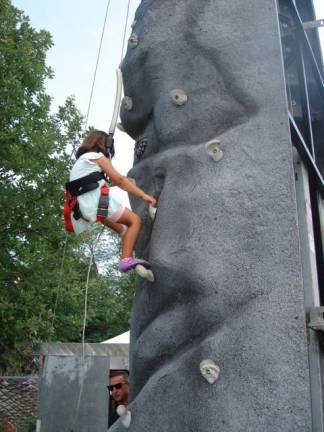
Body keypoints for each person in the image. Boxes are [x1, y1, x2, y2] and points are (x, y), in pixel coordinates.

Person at [68, 130, 156, 272]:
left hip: (83, 208)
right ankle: (126, 259)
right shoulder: (96, 157)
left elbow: (105, 182)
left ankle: (123, 232)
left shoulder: (82, 162)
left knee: (106, 216)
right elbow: (119, 180)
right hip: (96, 202)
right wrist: (142, 195)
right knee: (134, 221)